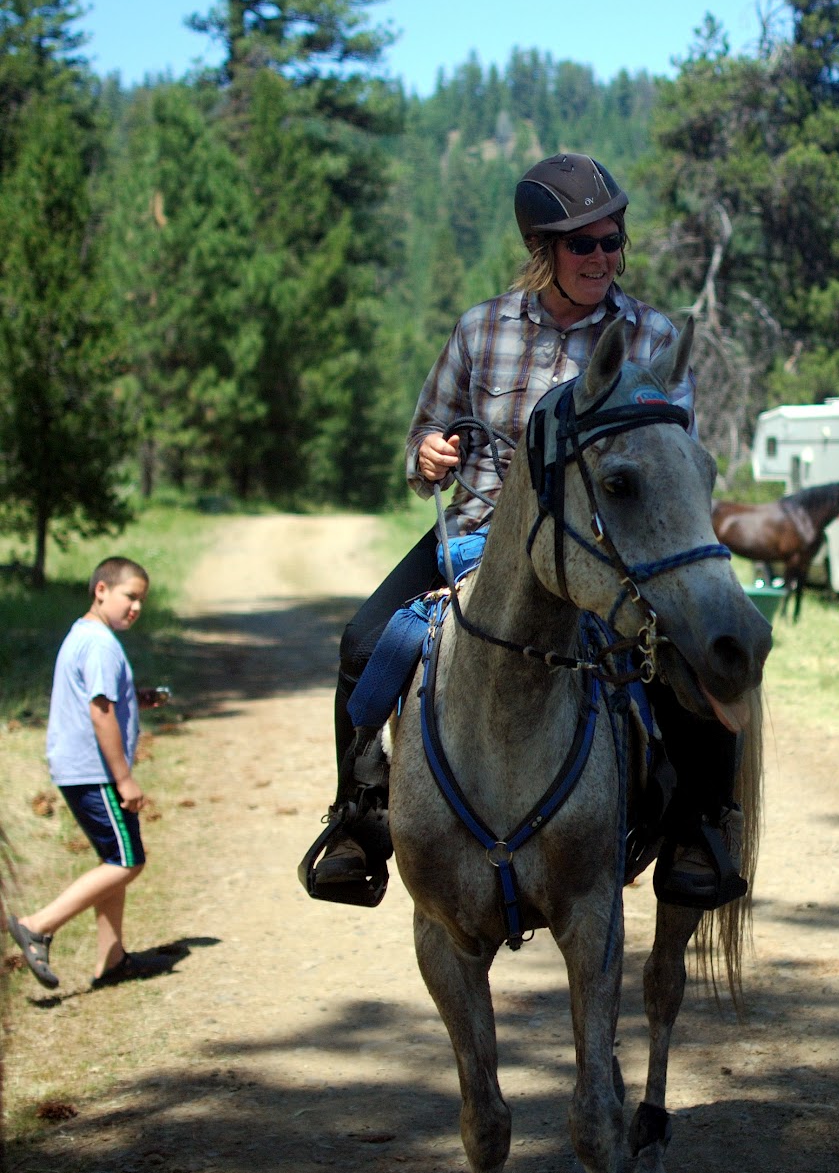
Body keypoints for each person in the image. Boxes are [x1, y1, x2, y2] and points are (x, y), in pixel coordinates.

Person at [304, 153, 744, 910]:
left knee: (693, 650)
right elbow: (426, 433)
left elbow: (675, 463)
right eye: (583, 244)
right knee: (365, 642)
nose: (601, 257)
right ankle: (359, 820)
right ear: (543, 250)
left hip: (608, 547)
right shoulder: (480, 330)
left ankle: (696, 829)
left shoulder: (650, 337)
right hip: (478, 535)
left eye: (612, 241)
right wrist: (428, 453)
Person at [6, 557, 168, 991]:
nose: (136, 607)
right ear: (101, 590)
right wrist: (124, 779)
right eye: (129, 596)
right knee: (127, 861)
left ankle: (111, 961)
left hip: (80, 769)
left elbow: (100, 698)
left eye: (141, 600)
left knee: (113, 858)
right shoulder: (100, 644)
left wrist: (135, 698)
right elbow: (100, 713)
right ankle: (37, 926)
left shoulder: (84, 634)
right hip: (95, 772)